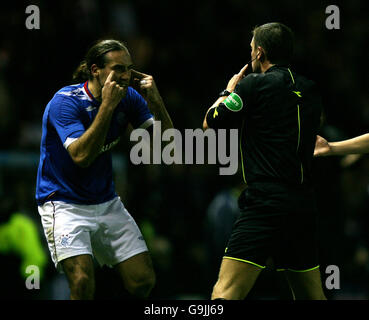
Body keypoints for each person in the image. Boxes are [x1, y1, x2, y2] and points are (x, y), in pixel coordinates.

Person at [35, 39, 173, 300]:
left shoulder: (129, 97)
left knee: (143, 281)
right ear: (95, 70)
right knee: (82, 283)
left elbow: (169, 146)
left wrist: (156, 102)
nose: (125, 76)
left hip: (106, 201)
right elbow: (82, 156)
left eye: (129, 69)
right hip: (63, 203)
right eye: (118, 69)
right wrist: (108, 106)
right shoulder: (64, 102)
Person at [203, 22, 326, 300]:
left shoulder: (252, 85)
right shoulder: (310, 89)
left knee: (225, 293)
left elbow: (211, 123)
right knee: (311, 296)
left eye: (250, 50)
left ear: (259, 53)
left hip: (265, 204)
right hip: (302, 205)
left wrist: (228, 91)